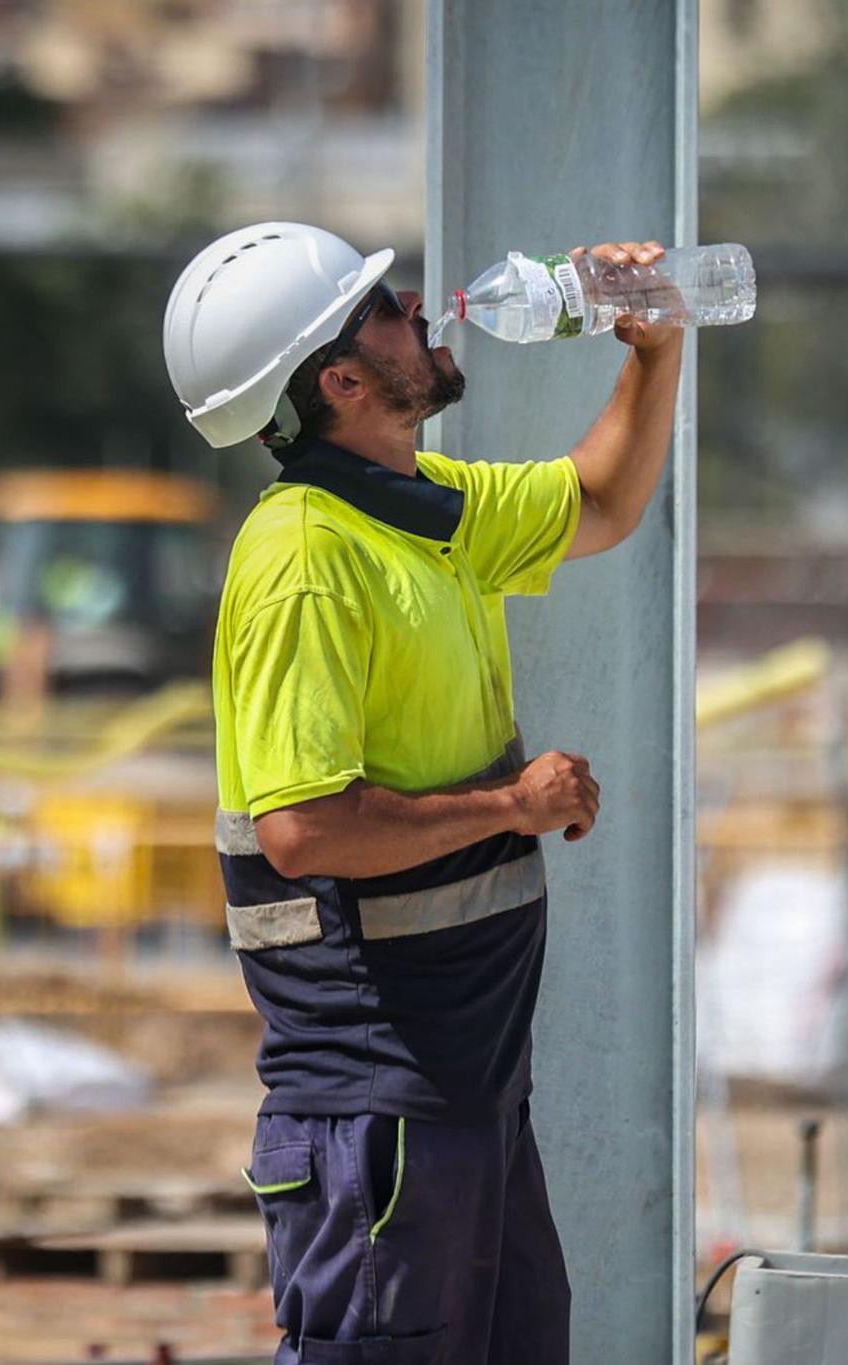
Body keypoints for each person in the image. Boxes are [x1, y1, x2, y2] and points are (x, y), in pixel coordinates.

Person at [163, 223, 684, 1365]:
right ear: (342, 381)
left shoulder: (420, 507)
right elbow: (303, 830)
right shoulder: (306, 561)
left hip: (464, 1095)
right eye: (387, 307)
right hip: (375, 1110)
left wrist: (654, 350)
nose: (420, 310)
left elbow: (601, 502)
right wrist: (512, 807)